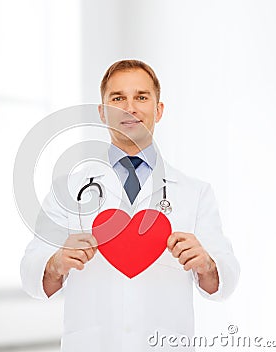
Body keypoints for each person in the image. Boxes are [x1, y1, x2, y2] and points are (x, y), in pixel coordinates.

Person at [21, 59, 240, 351]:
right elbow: (30, 274)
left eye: (141, 97)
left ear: (159, 110)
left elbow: (225, 280)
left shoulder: (195, 192)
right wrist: (56, 263)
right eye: (117, 98)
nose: (130, 107)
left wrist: (207, 265)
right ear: (102, 112)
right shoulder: (68, 188)